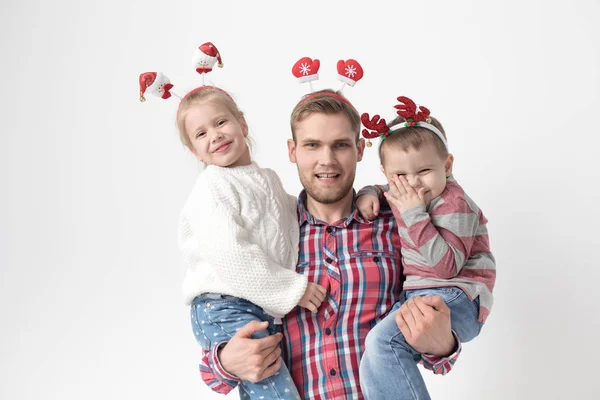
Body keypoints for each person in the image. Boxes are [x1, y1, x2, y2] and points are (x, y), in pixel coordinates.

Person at [198, 90, 463, 399]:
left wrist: (444, 344)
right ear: (292, 150)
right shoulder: (267, 235)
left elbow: (436, 341)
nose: (327, 160)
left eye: (340, 145)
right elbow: (220, 323)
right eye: (312, 145)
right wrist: (225, 364)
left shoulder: (402, 223)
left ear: (360, 149)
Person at [177, 85, 329, 400]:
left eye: (220, 123)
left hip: (251, 305)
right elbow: (233, 256)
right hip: (222, 305)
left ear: (243, 124)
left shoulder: (266, 177)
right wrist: (293, 289)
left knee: (268, 386)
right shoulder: (212, 187)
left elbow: (289, 215)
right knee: (277, 390)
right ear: (194, 150)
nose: (215, 135)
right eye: (201, 134)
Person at [356, 96, 496, 399]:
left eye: (424, 171)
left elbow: (446, 267)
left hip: (457, 295)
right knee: (373, 356)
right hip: (424, 294)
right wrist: (368, 192)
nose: (414, 185)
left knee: (383, 343)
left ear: (446, 165)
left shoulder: (454, 203)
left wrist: (413, 213)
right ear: (386, 173)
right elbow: (383, 190)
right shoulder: (400, 190)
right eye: (400, 176)